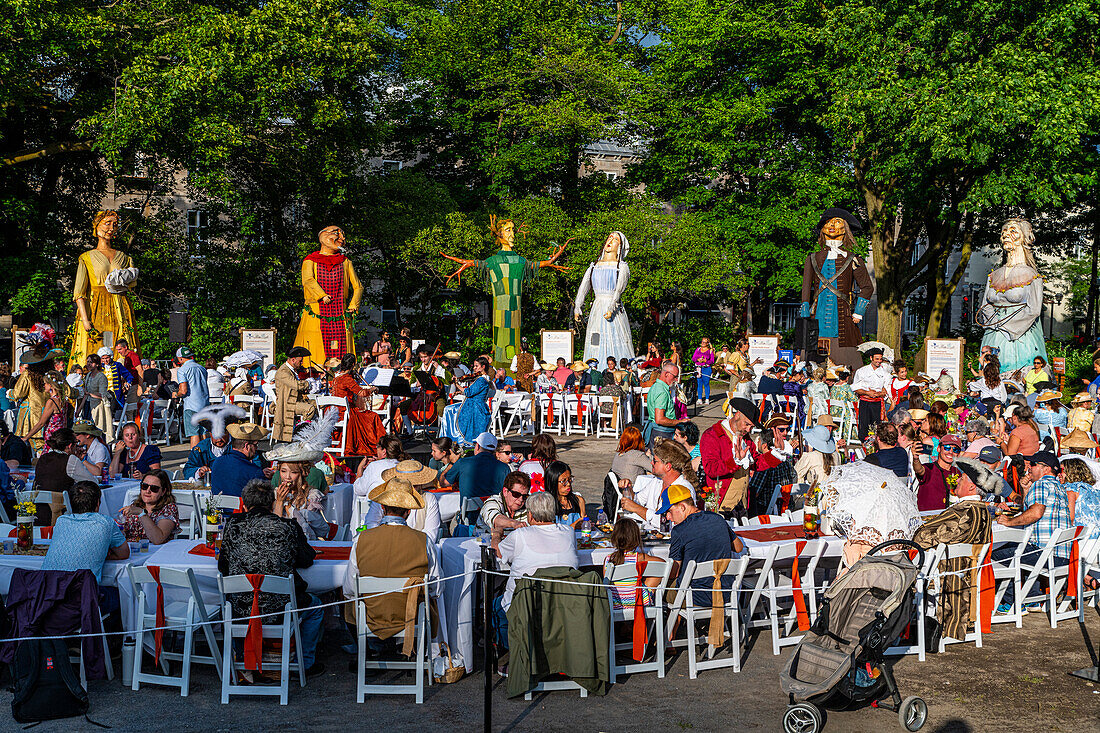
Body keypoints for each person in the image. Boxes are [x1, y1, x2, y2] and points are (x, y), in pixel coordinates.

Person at [219, 479, 324, 676]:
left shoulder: (233, 525)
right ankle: (306, 663)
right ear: (270, 503)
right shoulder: (287, 527)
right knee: (317, 608)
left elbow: (223, 565)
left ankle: (242, 658)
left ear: (244, 503)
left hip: (241, 608)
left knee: (228, 603)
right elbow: (307, 559)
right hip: (279, 610)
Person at [343, 476, 440, 656]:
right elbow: (435, 587)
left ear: (382, 507)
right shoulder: (423, 541)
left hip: (372, 615)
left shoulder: (361, 540)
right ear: (409, 512)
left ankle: (368, 651)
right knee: (429, 600)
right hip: (410, 615)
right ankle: (411, 649)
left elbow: (349, 589)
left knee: (349, 604)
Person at [912, 457, 995, 639]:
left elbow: (924, 537)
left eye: (962, 478)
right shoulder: (982, 511)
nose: (957, 480)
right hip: (966, 573)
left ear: (972, 487)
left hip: (946, 572)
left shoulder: (964, 511)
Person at [494, 491, 579, 649]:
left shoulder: (520, 535)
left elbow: (498, 552)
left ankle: (510, 652)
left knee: (496, 605)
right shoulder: (568, 533)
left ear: (530, 515)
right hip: (561, 604)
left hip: (526, 606)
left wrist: (496, 535)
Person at [992, 451, 1073, 612]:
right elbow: (1030, 510)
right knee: (1023, 548)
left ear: (1046, 469)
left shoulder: (1042, 484)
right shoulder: (1059, 486)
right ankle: (1031, 598)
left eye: (1033, 465)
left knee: (994, 554)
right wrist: (1025, 489)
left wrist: (1008, 522)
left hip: (1046, 555)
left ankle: (1011, 602)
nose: (1028, 468)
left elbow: (1036, 513)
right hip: (1061, 556)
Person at [666, 483, 745, 607]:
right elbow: (739, 547)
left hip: (694, 596)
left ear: (682, 507)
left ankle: (675, 625)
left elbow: (673, 573)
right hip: (725, 592)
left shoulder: (679, 531)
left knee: (662, 590)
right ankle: (694, 625)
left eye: (669, 511)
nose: (668, 517)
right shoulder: (717, 518)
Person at [42, 480, 129, 583]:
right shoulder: (106, 522)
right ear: (97, 503)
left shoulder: (61, 521)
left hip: (47, 589)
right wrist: (101, 554)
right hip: (81, 593)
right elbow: (124, 553)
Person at [619, 440, 697, 529]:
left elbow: (668, 524)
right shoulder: (657, 481)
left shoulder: (683, 489)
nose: (651, 463)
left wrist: (636, 508)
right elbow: (638, 501)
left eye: (655, 461)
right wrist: (628, 490)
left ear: (668, 466)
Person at [700, 397, 759, 512]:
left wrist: (775, 454)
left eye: (751, 427)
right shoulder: (712, 435)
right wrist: (734, 461)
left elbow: (757, 462)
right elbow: (711, 469)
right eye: (746, 424)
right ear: (737, 415)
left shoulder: (745, 438)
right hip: (721, 504)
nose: (748, 430)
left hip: (742, 503)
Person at [34, 428, 97, 524]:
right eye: (76, 444)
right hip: (61, 516)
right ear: (70, 446)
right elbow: (92, 482)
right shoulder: (70, 460)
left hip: (38, 513)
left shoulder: (43, 458)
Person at [330, 353, 386, 457]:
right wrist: (373, 388)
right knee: (373, 416)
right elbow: (362, 393)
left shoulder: (336, 379)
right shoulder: (347, 379)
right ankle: (380, 445)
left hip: (335, 412)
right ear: (352, 365)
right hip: (346, 413)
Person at [603, 519, 664, 609]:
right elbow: (663, 564)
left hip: (615, 604)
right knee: (658, 571)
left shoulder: (608, 559)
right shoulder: (640, 558)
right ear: (636, 538)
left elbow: (606, 585)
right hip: (638, 603)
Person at [439, 356, 494, 447]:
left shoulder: (481, 380)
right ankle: (449, 436)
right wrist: (459, 391)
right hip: (472, 404)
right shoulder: (481, 379)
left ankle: (453, 437)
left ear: (483, 367)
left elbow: (468, 392)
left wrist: (456, 384)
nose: (474, 368)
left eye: (477, 366)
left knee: (449, 410)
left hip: (476, 407)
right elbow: (473, 391)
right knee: (449, 408)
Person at [441, 431, 509, 501]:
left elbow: (444, 483)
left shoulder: (462, 463)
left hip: (469, 511)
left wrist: (452, 463)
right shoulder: (504, 468)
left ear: (477, 446)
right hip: (493, 510)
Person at [117, 468, 179, 544]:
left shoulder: (168, 509)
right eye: (144, 486)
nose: (148, 491)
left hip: (157, 552)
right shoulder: (136, 505)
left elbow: (158, 539)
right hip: (133, 550)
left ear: (163, 491)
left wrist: (142, 513)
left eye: (154, 488)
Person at [271, 346, 319, 443]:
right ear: (293, 360)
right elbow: (296, 385)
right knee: (310, 409)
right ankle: (301, 432)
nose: (301, 363)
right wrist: (308, 383)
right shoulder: (283, 371)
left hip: (294, 400)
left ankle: (313, 432)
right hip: (287, 403)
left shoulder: (291, 371)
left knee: (317, 404)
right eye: (300, 361)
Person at [210, 422, 269, 497]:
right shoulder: (254, 471)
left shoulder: (217, 462)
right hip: (241, 508)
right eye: (255, 445)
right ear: (246, 446)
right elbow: (264, 498)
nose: (256, 448)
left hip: (217, 508)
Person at [172, 346, 210, 450]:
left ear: (180, 358)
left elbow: (183, 390)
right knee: (203, 432)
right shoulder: (201, 368)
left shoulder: (182, 370)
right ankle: (206, 457)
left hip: (191, 405)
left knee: (194, 433)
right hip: (205, 404)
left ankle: (195, 459)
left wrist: (176, 394)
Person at [913, 433, 961, 511]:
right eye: (947, 448)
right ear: (938, 449)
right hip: (928, 519)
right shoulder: (929, 468)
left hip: (949, 518)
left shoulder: (956, 472)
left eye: (955, 450)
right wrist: (915, 459)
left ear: (958, 454)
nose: (950, 452)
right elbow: (919, 470)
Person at [851, 347, 890, 441]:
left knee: (877, 427)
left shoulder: (885, 373)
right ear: (871, 358)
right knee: (864, 426)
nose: (879, 361)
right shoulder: (862, 371)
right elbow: (855, 388)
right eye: (877, 359)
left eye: (880, 359)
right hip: (865, 402)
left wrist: (879, 393)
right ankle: (864, 446)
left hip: (877, 403)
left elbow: (886, 390)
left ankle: (875, 445)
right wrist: (867, 392)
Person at [645, 360, 680, 447]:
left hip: (656, 431)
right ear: (666, 374)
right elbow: (659, 419)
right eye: (675, 376)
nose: (676, 380)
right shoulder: (662, 391)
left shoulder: (656, 386)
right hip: (662, 432)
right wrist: (678, 422)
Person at [82, 354, 113, 443]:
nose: (88, 364)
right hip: (88, 406)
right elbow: (85, 394)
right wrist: (79, 409)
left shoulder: (101, 377)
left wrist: (90, 394)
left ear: (97, 364)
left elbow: (103, 395)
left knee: (98, 430)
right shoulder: (88, 376)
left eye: (91, 362)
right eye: (87, 362)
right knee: (87, 431)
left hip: (98, 406)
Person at [543, 460, 583, 526]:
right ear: (553, 482)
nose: (568, 484)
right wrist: (574, 525)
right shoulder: (545, 504)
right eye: (563, 481)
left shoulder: (579, 501)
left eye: (570, 479)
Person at [692, 338, 716, 406]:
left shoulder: (710, 351)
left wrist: (705, 361)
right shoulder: (698, 349)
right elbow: (693, 358)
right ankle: (699, 399)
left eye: (704, 342)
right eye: (702, 342)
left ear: (707, 344)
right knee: (699, 383)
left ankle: (707, 399)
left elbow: (712, 361)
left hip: (706, 368)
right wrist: (698, 359)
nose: (702, 343)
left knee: (706, 383)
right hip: (699, 368)